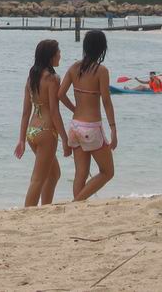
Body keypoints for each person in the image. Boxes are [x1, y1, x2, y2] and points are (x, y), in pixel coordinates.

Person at [58, 30, 117, 201]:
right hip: (91, 128)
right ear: (101, 49)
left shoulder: (74, 67)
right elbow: (106, 101)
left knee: (80, 174)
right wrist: (113, 129)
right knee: (107, 172)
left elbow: (60, 94)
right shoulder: (101, 71)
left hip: (75, 126)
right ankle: (76, 203)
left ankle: (77, 207)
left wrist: (75, 109)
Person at [15, 40, 68, 207]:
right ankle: (27, 212)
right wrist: (65, 139)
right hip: (47, 132)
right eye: (58, 52)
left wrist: (22, 139)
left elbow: (25, 112)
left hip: (32, 132)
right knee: (37, 179)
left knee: (53, 174)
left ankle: (45, 208)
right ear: (50, 56)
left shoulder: (31, 78)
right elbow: (54, 112)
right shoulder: (52, 79)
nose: (60, 55)